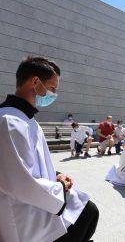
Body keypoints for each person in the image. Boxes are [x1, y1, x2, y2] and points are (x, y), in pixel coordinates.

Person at [0, 56, 99, 242]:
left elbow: (31, 165)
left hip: (36, 201)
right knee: (87, 213)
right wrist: (59, 187)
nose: (54, 94)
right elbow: (18, 182)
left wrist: (56, 175)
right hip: (23, 218)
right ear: (35, 82)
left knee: (88, 210)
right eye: (52, 89)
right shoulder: (9, 121)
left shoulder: (27, 119)